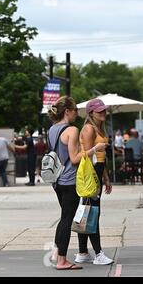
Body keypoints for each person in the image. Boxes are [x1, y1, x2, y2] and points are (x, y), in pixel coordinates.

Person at [47, 96, 106, 270]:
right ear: (67, 111)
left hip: (57, 180)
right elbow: (74, 159)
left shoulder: (52, 130)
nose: (76, 114)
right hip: (70, 180)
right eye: (75, 111)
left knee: (64, 217)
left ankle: (57, 253)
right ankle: (62, 261)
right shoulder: (71, 130)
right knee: (67, 219)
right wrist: (94, 149)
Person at [75, 98, 114, 265]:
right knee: (92, 214)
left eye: (104, 110)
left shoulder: (99, 128)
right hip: (90, 173)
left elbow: (100, 158)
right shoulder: (89, 129)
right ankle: (98, 254)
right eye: (99, 111)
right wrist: (96, 149)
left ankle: (83, 253)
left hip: (97, 171)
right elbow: (85, 156)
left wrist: (105, 177)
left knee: (87, 212)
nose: (103, 113)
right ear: (91, 113)